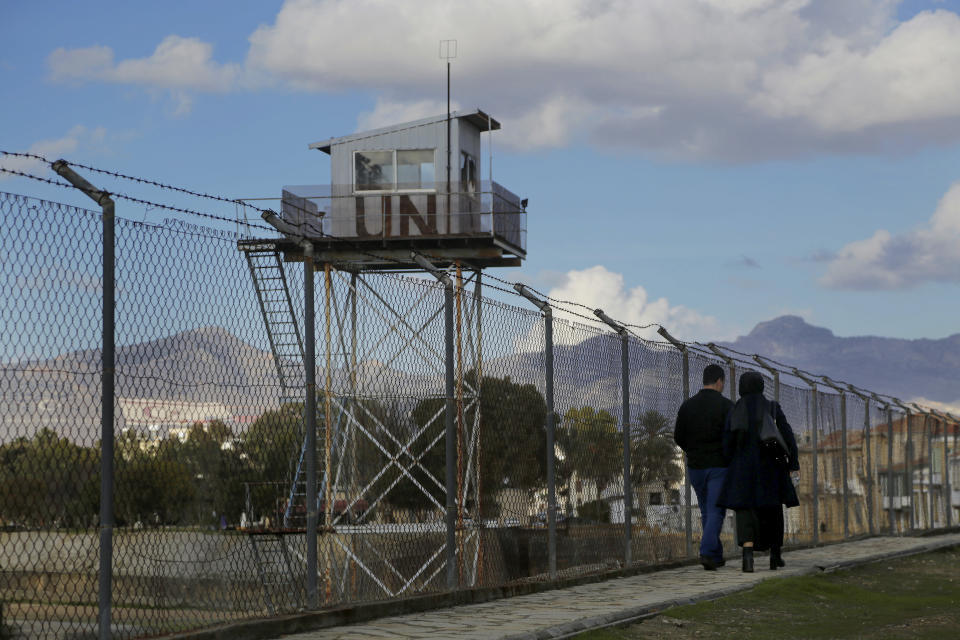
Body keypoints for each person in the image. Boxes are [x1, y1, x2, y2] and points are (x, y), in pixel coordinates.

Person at [716, 371, 800, 573]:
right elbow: (788, 435)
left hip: (742, 469)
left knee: (744, 510)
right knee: (772, 510)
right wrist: (793, 463)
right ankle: (775, 555)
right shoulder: (771, 407)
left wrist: (730, 462)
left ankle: (747, 557)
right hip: (771, 468)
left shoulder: (735, 409)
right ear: (761, 386)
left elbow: (726, 442)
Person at [674, 364, 734, 570]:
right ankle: (707, 552)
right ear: (719, 381)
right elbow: (734, 436)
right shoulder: (727, 406)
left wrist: (693, 450)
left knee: (707, 510)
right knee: (716, 510)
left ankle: (716, 555)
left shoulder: (687, 406)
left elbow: (678, 437)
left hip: (696, 467)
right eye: (723, 382)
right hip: (719, 466)